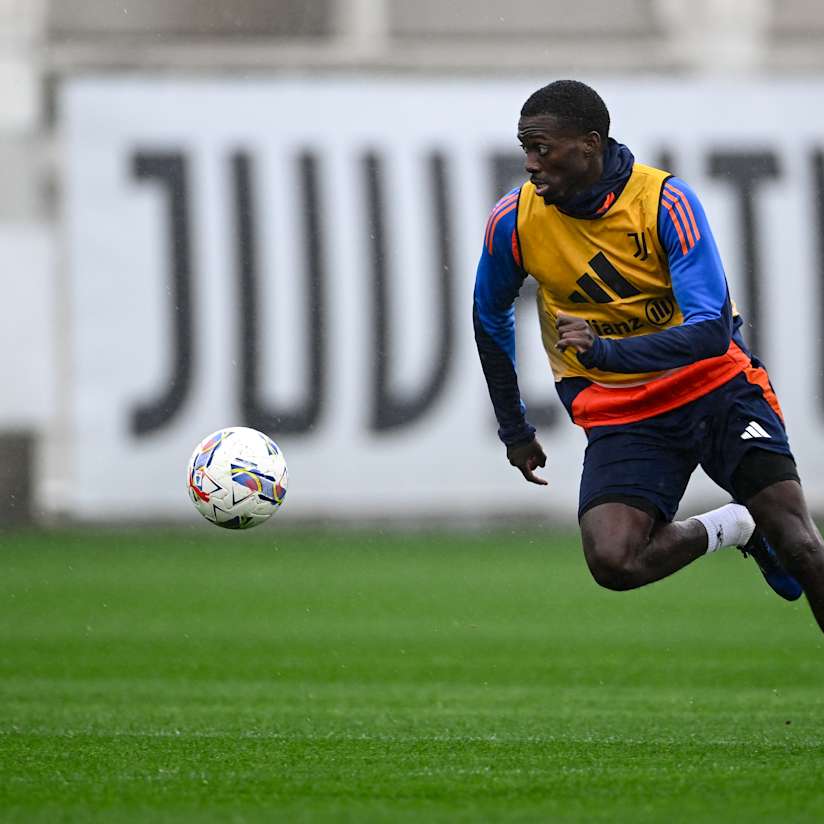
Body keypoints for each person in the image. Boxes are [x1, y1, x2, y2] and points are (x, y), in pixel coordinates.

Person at [473, 79, 824, 634]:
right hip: (622, 410)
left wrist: (607, 349)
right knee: (614, 562)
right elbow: (488, 316)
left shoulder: (664, 201)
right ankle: (737, 526)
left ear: (590, 144)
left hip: (715, 389)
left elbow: (710, 330)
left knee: (802, 546)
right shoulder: (514, 221)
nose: (530, 164)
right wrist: (514, 428)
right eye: (525, 149)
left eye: (542, 148)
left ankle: (766, 530)